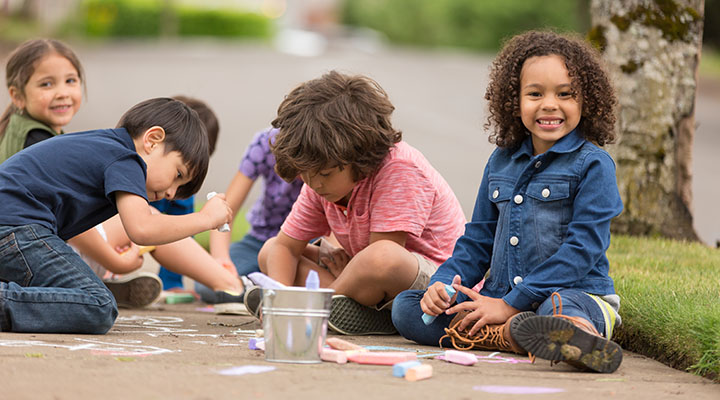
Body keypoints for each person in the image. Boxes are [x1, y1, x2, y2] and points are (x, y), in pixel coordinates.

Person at [391, 30, 624, 373]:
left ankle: (579, 337)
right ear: (513, 100)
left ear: (586, 100)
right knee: (408, 308)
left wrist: (513, 303)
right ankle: (515, 336)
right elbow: (477, 240)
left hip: (575, 294)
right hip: (499, 298)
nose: (549, 104)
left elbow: (582, 251)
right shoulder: (501, 161)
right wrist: (443, 285)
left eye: (565, 94)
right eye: (535, 93)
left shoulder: (593, 165)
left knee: (558, 308)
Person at [251, 70, 466, 335]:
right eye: (305, 173)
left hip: (436, 285)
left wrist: (345, 276)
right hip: (363, 276)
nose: (314, 183)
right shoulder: (319, 179)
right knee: (271, 250)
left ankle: (315, 309)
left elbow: (382, 256)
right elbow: (285, 247)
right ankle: (319, 309)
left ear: (359, 155)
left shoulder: (399, 168)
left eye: (325, 174)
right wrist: (277, 298)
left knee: (380, 257)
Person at [0, 97, 232, 333]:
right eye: (178, 174)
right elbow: (142, 228)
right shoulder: (126, 158)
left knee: (69, 293)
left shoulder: (107, 148)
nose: (172, 192)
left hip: (13, 228)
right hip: (15, 228)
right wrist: (206, 219)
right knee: (98, 305)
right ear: (152, 140)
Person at [196, 126, 303, 303]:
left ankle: (266, 289)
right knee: (209, 282)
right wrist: (221, 260)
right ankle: (260, 290)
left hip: (307, 245)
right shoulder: (266, 143)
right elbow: (225, 209)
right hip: (260, 240)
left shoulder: (327, 148)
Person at [150, 95, 220, 292]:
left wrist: (172, 284)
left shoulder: (182, 190)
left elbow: (182, 235)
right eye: (179, 170)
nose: (172, 191)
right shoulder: (130, 174)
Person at [0, 38, 83, 162]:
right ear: (18, 96)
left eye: (70, 81)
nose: (62, 94)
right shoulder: (39, 143)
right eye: (46, 84)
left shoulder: (16, 125)